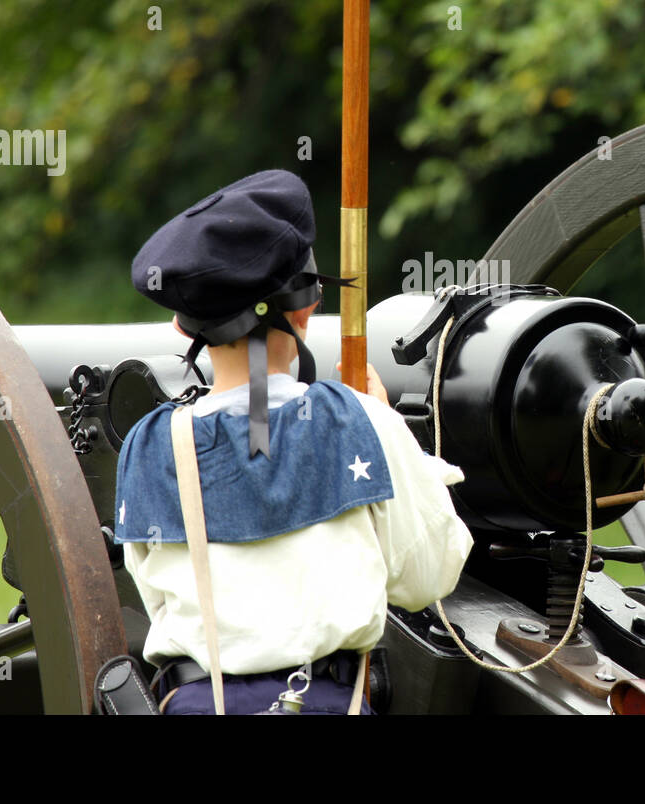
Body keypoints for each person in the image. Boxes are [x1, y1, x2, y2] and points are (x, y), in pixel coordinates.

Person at [113, 169, 473, 714]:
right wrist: (385, 421)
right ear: (306, 306)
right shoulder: (363, 423)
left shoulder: (146, 447)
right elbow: (429, 577)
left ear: (185, 329)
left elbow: (155, 597)